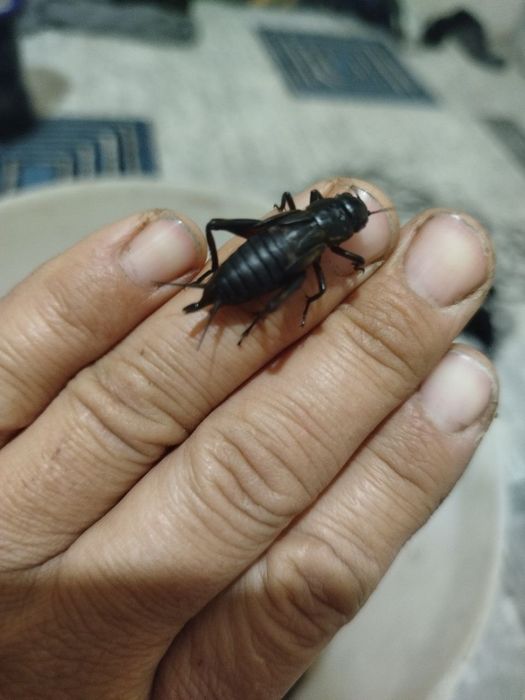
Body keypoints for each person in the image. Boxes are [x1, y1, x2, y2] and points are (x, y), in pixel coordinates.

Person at [0, 177, 497, 698]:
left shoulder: (308, 219)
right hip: (265, 269)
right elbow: (317, 287)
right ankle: (242, 310)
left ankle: (230, 301)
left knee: (260, 256)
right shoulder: (330, 251)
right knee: (306, 286)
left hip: (261, 252)